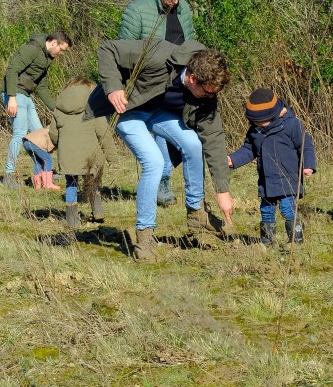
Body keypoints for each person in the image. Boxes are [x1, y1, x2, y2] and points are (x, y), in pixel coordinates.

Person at [84, 39, 234, 263]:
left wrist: (222, 189)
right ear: (193, 78)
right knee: (154, 162)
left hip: (159, 113)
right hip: (128, 111)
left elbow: (213, 137)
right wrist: (114, 87)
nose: (210, 98)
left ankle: (196, 213)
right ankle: (145, 236)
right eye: (207, 93)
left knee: (193, 143)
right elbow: (108, 49)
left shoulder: (206, 92)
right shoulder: (158, 56)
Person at [119, 0, 195, 207]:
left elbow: (191, 43)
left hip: (177, 83)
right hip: (148, 84)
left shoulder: (184, 10)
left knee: (184, 134)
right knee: (159, 135)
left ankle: (185, 189)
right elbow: (123, 52)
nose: (176, 2)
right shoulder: (137, 10)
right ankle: (162, 181)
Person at [228, 88, 316, 246]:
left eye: (262, 121)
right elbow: (249, 150)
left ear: (274, 114)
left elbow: (306, 146)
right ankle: (267, 241)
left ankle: (296, 239)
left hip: (288, 178)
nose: (259, 125)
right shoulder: (255, 131)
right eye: (255, 122)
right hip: (266, 180)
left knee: (287, 208)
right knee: (266, 211)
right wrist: (232, 160)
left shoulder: (292, 125)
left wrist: (308, 165)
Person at [49, 77, 119, 232]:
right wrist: (112, 157)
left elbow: (53, 133)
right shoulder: (94, 106)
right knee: (92, 181)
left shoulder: (59, 107)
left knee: (71, 184)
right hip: (91, 154)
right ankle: (98, 211)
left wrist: (57, 144)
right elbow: (104, 134)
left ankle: (72, 220)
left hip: (68, 154)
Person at [2, 30, 71, 187]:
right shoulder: (32, 49)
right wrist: (11, 97)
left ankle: (42, 173)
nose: (61, 53)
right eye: (61, 49)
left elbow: (42, 87)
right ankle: (9, 175)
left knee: (38, 136)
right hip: (14, 93)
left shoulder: (47, 59)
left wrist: (56, 109)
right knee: (20, 133)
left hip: (26, 95)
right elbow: (12, 69)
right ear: (54, 43)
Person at [22, 127, 61, 191]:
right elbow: (52, 143)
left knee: (38, 162)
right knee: (48, 160)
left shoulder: (50, 128)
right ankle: (48, 185)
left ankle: (37, 185)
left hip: (26, 141)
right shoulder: (57, 132)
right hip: (35, 143)